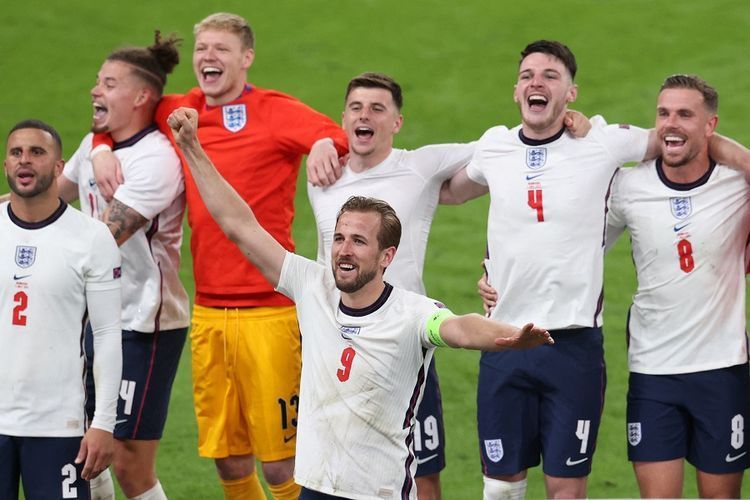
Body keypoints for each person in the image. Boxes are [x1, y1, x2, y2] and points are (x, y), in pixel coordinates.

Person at [167, 104, 554, 498]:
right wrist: (193, 149)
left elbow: (457, 329)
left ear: (386, 256)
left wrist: (508, 335)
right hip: (315, 489)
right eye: (338, 238)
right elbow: (238, 225)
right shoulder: (310, 286)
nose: (343, 251)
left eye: (358, 241)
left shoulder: (412, 312)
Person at [90, 12, 348, 499]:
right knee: (229, 460)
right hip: (208, 312)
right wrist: (102, 147)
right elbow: (120, 113)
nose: (208, 57)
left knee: (280, 465)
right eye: (202, 48)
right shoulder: (182, 108)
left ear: (246, 58)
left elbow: (338, 136)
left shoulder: (274, 110)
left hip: (269, 312)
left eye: (221, 49)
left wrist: (320, 144)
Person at [307, 71, 473, 499]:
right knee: (330, 468)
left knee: (424, 470)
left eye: (378, 109)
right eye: (357, 108)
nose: (366, 116)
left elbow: (498, 150)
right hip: (336, 349)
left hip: (404, 345)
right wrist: (322, 143)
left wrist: (572, 126)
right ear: (342, 118)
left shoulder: (419, 166)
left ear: (397, 122)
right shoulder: (323, 178)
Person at [56, 33, 190, 500]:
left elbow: (105, 240)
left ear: (140, 97)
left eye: (108, 83)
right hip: (95, 316)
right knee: (86, 444)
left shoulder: (157, 162)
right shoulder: (98, 144)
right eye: (97, 81)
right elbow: (48, 198)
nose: (95, 90)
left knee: (129, 461)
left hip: (144, 323)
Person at [606, 75, 750, 498]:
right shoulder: (629, 187)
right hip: (653, 371)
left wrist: (737, 156)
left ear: (711, 126)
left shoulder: (735, 184)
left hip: (722, 368)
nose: (671, 123)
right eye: (664, 113)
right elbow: (579, 245)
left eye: (686, 115)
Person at [0, 120, 122, 499]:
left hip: (58, 425)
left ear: (58, 167)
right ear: (5, 164)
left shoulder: (92, 238)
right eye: (16, 152)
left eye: (37, 152)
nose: (25, 161)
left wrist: (103, 423)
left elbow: (106, 335)